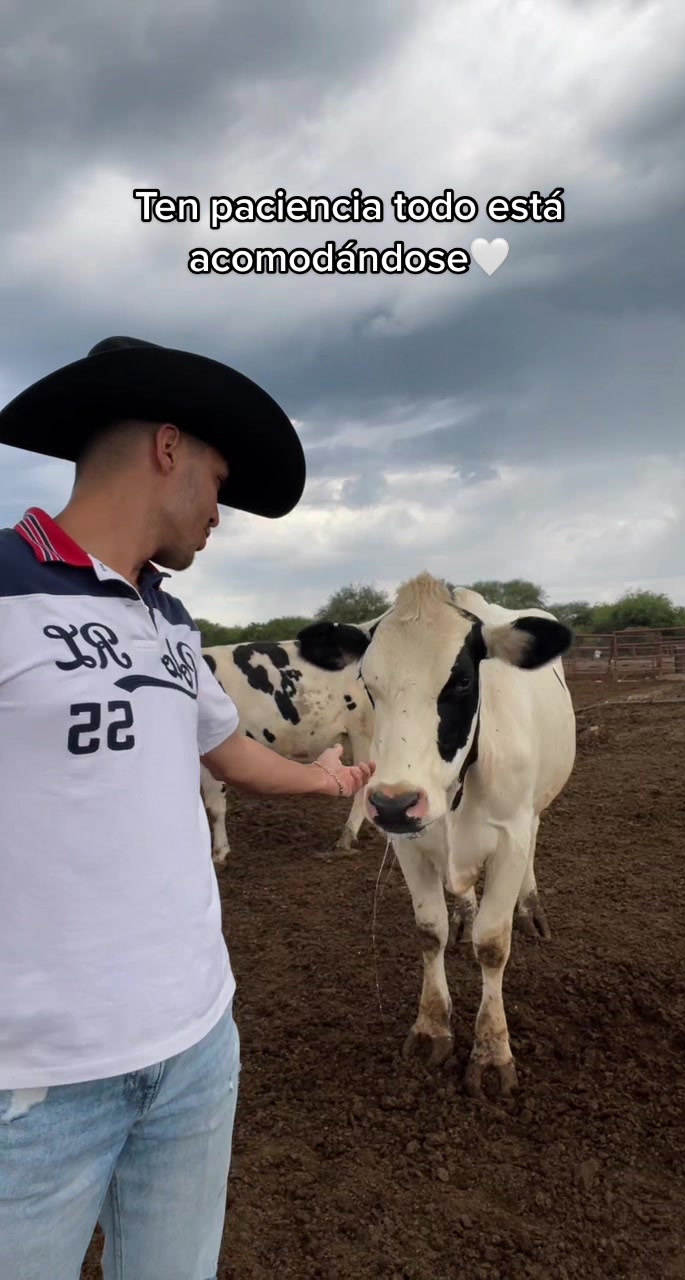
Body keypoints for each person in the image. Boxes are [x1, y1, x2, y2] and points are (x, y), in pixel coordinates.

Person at [0, 335, 376, 1280]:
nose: (218, 513)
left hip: (197, 1046)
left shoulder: (168, 620)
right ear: (168, 448)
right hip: (31, 1084)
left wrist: (328, 780)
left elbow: (227, 749)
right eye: (218, 483)